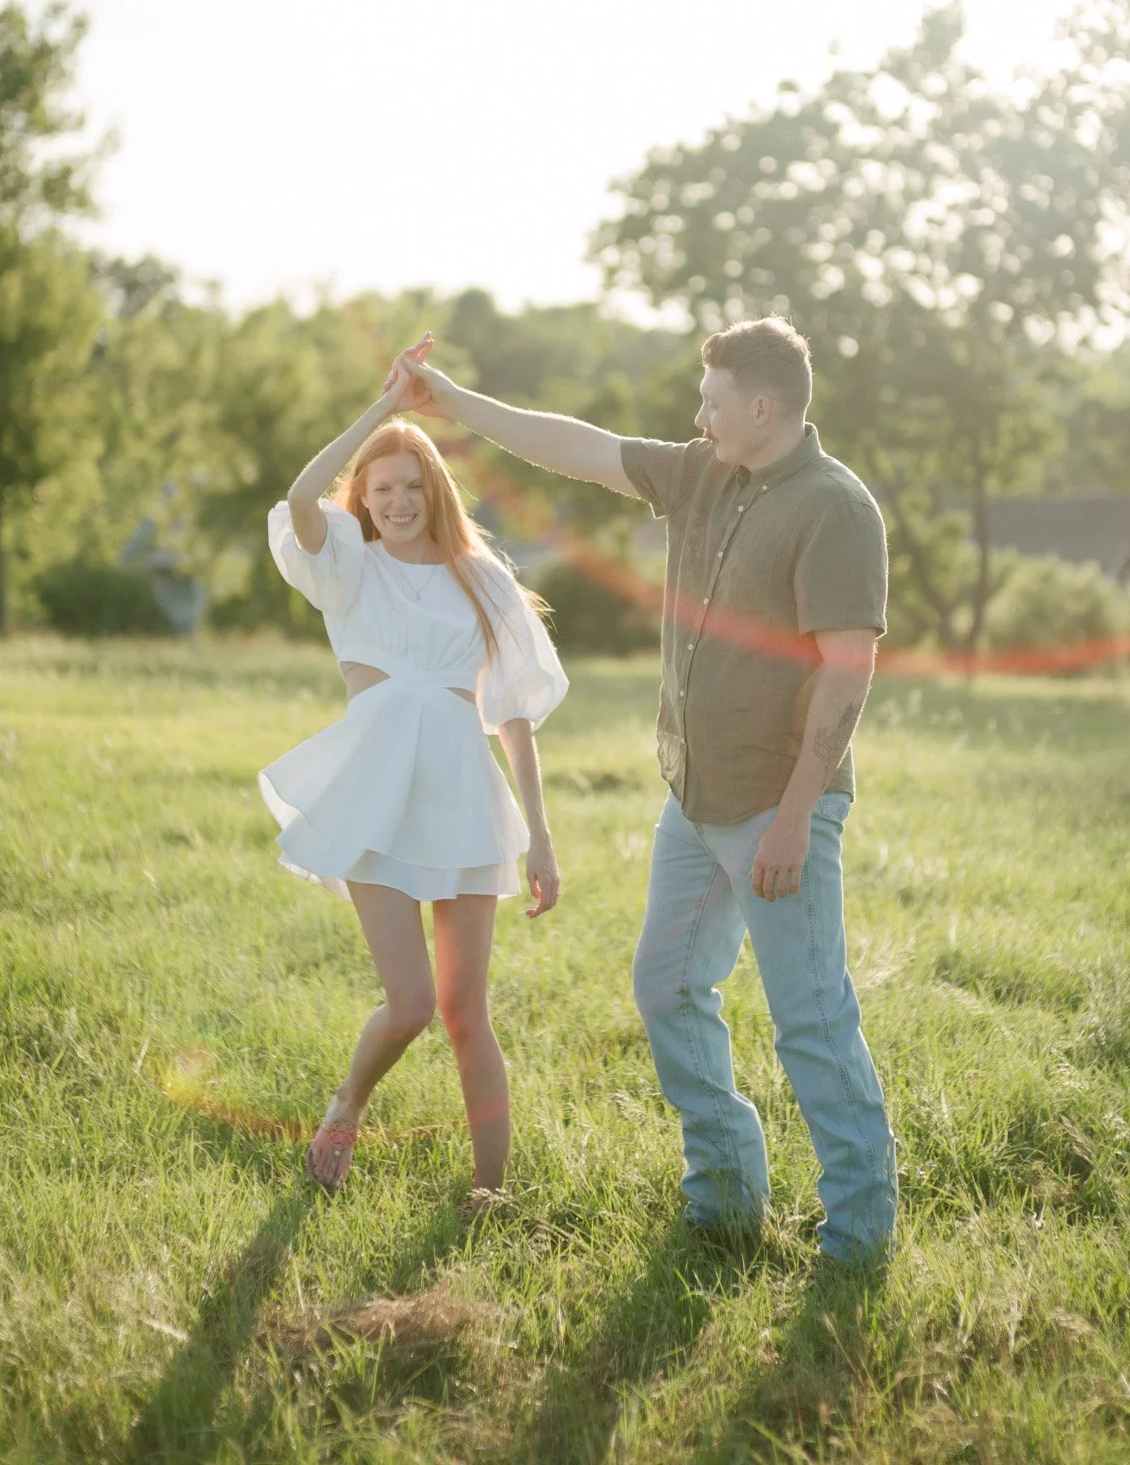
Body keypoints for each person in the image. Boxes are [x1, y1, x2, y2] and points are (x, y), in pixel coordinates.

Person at [390, 316, 897, 1266]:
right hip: (694, 801)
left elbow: (847, 669)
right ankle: (725, 1201)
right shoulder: (703, 471)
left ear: (760, 406)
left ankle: (860, 1243)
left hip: (776, 809)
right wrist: (452, 403)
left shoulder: (834, 507)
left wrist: (796, 817)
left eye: (710, 401)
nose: (694, 415)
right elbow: (575, 446)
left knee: (812, 1019)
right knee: (666, 987)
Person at [259, 363, 567, 1205]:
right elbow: (298, 496)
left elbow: (514, 718)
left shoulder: (483, 579)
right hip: (374, 799)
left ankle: (489, 1191)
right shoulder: (349, 565)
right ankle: (346, 1106)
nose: (396, 501)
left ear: (434, 489)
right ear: (365, 495)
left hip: (464, 802)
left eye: (410, 485)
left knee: (468, 1012)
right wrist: (385, 410)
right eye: (380, 487)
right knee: (410, 1005)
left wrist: (539, 835)